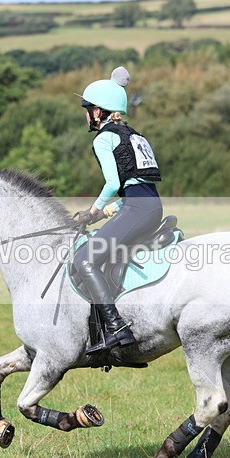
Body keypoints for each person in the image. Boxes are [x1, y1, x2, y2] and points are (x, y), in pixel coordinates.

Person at [73, 67, 163, 355]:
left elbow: (113, 183)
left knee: (84, 260)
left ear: (98, 112)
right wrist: (103, 214)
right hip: (150, 206)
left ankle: (116, 328)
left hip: (137, 209)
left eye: (88, 109)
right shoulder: (134, 136)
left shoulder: (103, 138)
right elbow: (134, 188)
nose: (86, 114)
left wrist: (93, 209)